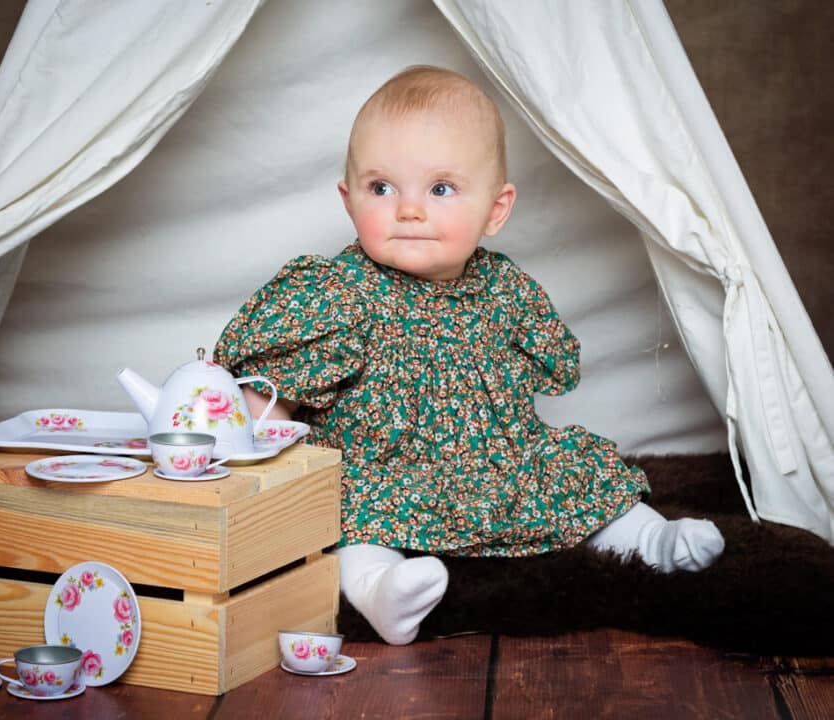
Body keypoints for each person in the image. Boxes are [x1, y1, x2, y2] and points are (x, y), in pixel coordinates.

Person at [214, 65, 724, 646]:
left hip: (500, 462)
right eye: (382, 188)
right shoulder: (339, 294)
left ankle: (648, 540)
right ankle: (379, 588)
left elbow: (557, 366)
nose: (409, 210)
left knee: (577, 478)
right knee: (350, 514)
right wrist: (251, 437)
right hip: (386, 470)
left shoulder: (502, 288)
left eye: (440, 189)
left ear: (495, 209)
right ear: (349, 200)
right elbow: (272, 384)